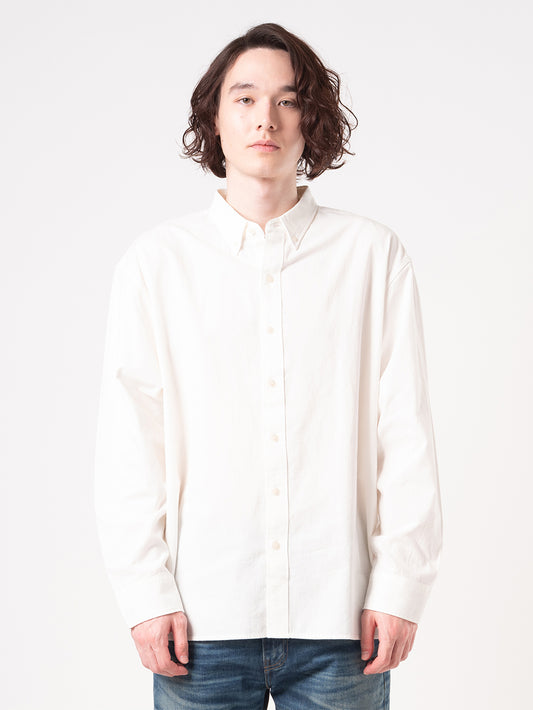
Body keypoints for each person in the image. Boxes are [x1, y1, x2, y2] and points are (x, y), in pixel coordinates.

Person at [94, 22, 443, 710]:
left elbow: (405, 431)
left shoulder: (371, 256)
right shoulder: (157, 264)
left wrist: (401, 586)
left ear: (312, 121)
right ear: (214, 119)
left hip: (342, 621)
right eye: (246, 98)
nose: (266, 119)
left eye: (289, 100)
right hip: (200, 622)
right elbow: (130, 444)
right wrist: (144, 595)